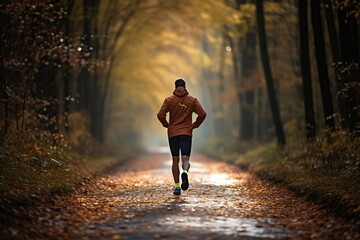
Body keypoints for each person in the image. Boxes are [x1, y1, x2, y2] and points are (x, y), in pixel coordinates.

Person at [157, 78, 206, 195]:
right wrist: (195, 125)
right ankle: (185, 172)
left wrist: (166, 125)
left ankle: (177, 187)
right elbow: (202, 114)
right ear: (185, 86)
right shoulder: (192, 100)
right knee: (185, 159)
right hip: (186, 133)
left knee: (175, 160)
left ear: (175, 87)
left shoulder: (169, 100)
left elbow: (160, 115)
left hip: (173, 133)